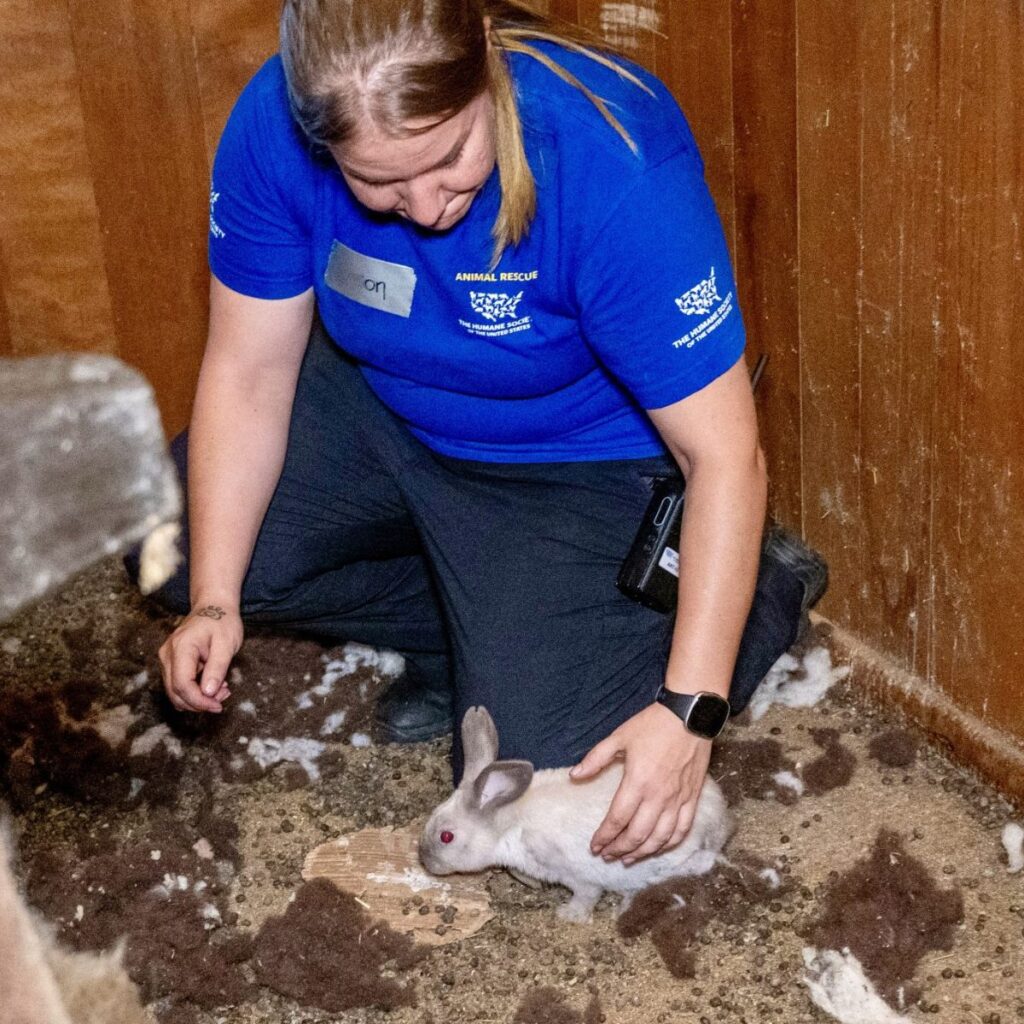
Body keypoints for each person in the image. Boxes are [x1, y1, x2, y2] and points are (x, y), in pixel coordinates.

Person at [132, 0, 827, 867]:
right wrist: (216, 604)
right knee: (179, 546)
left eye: (449, 155)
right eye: (377, 185)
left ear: (485, 64)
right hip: (383, 406)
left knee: (554, 786)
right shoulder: (272, 124)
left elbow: (723, 451)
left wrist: (691, 708)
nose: (426, 208)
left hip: (578, 463)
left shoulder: (612, 156)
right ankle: (459, 624)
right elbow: (249, 373)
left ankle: (756, 587)